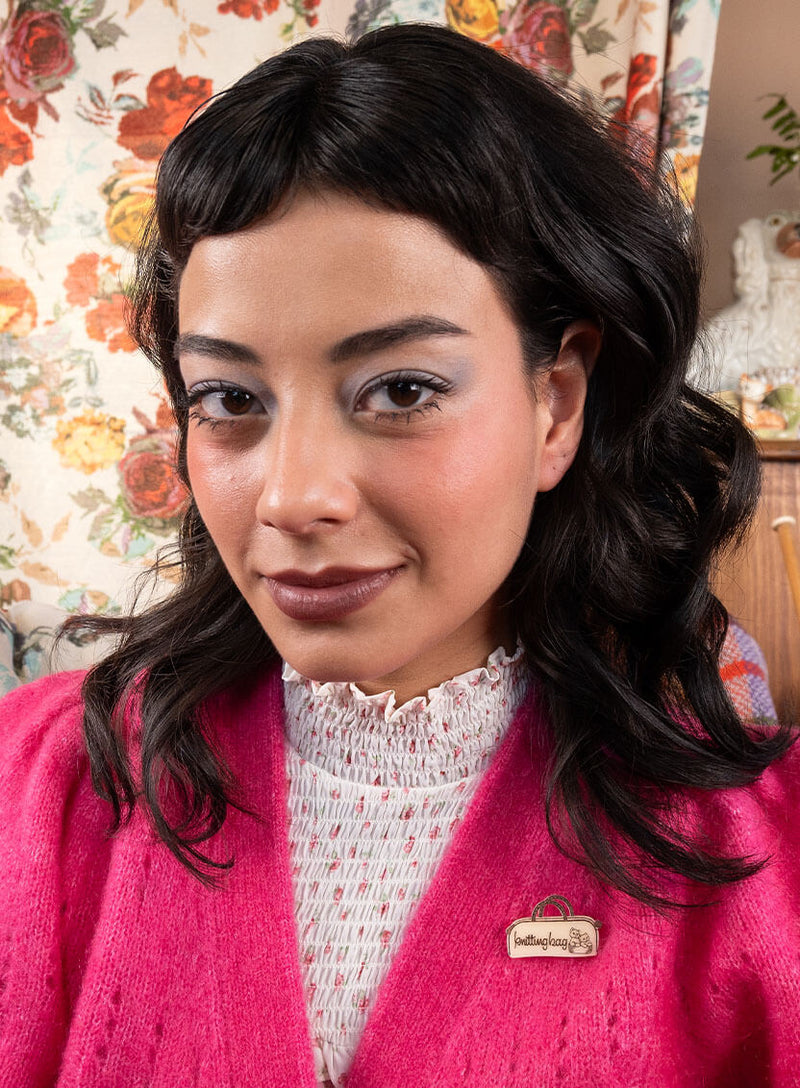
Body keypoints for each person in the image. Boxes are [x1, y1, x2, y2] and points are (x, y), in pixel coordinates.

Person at [0, 23, 798, 1088]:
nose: (291, 496)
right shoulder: (38, 783)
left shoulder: (757, 866)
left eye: (401, 390)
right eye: (230, 400)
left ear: (555, 404)